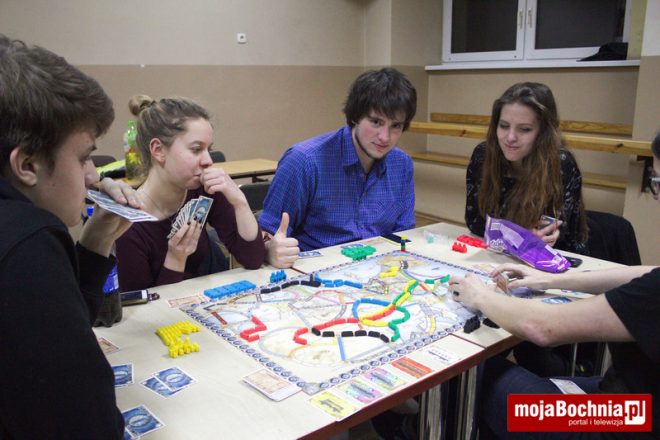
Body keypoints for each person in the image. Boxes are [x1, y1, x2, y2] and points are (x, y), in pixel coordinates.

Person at [450, 133, 660, 438]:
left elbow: (542, 328)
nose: (656, 195)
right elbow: (647, 274)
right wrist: (550, 279)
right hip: (633, 403)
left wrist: (479, 295)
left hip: (623, 420)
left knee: (471, 374)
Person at [0, 34, 143, 438]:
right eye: (84, 157)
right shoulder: (26, 237)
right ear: (27, 164)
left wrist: (95, 243)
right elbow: (88, 424)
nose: (93, 176)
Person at [259, 67, 417, 268]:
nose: (385, 137)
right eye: (376, 122)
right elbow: (266, 235)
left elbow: (404, 233)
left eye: (396, 126)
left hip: (379, 270)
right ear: (355, 117)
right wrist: (268, 250)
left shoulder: (402, 164)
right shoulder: (304, 161)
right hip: (314, 272)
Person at [115, 95, 266, 291]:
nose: (208, 160)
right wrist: (176, 259)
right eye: (196, 149)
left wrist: (239, 202)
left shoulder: (204, 189)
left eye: (209, 149)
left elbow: (252, 259)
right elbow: (139, 304)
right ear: (158, 150)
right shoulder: (128, 224)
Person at [465, 82, 588, 255]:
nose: (510, 137)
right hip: (498, 254)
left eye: (524, 129)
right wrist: (517, 237)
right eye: (504, 126)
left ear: (543, 133)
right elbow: (475, 221)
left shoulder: (561, 163)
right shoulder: (483, 155)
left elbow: (554, 236)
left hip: (555, 259)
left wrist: (517, 236)